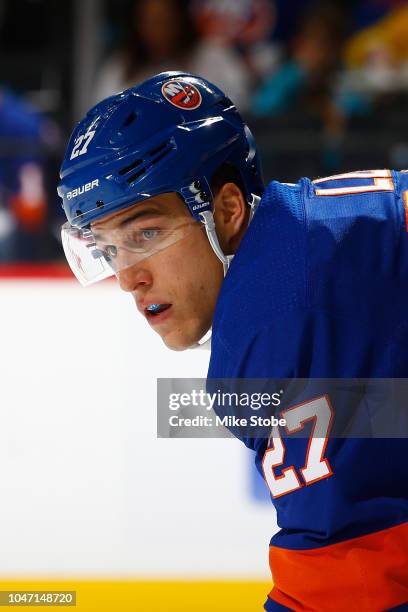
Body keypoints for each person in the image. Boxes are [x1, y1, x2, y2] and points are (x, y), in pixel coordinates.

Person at [58, 72, 408, 610]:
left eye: (145, 233)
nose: (129, 277)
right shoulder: (306, 240)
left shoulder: (277, 317)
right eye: (108, 249)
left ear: (226, 210)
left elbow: (347, 582)